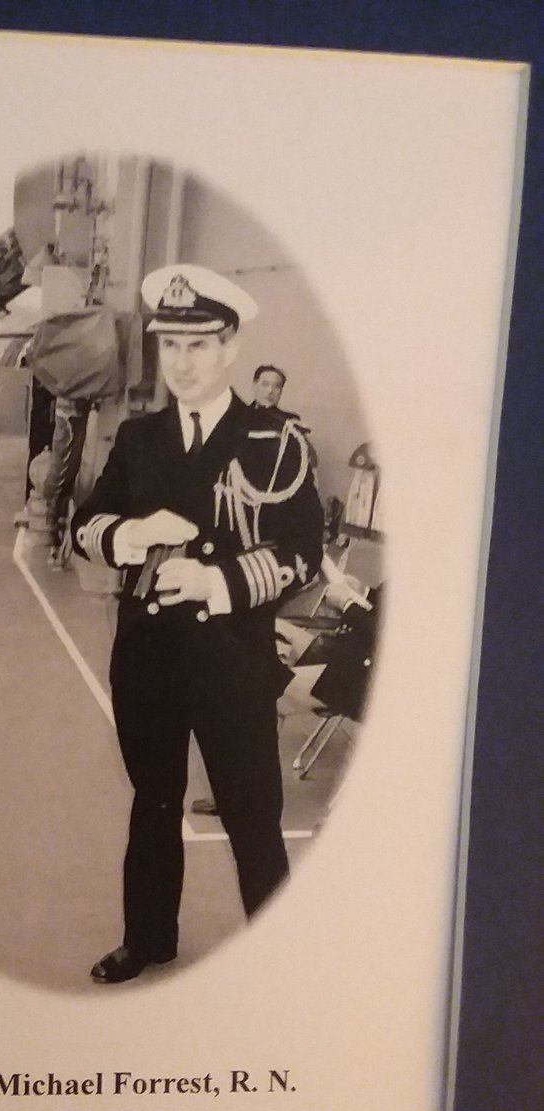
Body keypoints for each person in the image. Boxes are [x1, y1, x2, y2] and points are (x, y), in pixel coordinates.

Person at [71, 264, 324, 983]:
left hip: (230, 662)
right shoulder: (139, 439)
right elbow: (86, 525)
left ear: (231, 348)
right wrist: (131, 533)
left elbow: (304, 551)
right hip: (148, 659)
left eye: (200, 345)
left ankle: (278, 958)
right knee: (153, 803)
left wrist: (219, 581)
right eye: (171, 345)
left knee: (251, 814)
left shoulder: (274, 441)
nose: (181, 363)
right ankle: (148, 938)